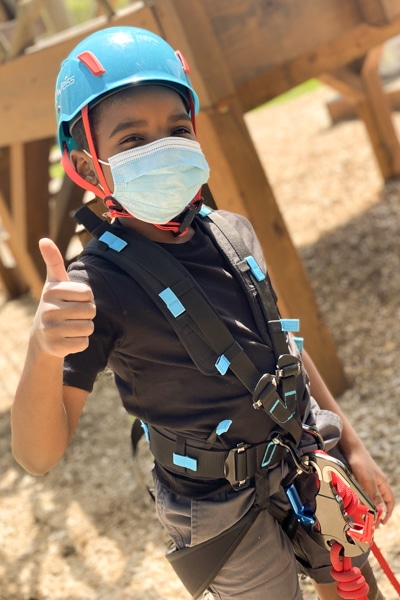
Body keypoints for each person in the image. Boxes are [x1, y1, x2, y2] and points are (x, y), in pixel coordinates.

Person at [11, 26, 394, 600]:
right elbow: (37, 454)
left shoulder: (232, 232)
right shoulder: (96, 287)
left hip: (305, 457)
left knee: (353, 587)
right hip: (215, 507)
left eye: (176, 129)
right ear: (89, 168)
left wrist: (352, 446)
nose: (161, 147)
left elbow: (285, 348)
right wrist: (44, 347)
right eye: (133, 139)